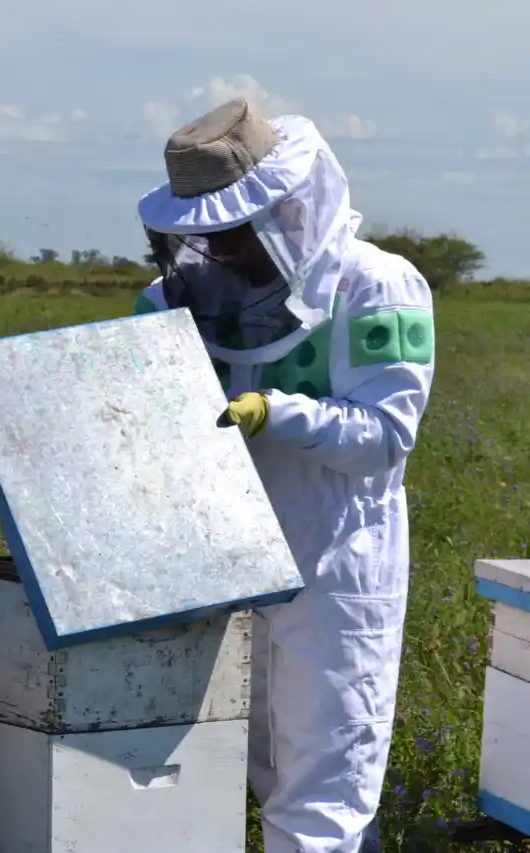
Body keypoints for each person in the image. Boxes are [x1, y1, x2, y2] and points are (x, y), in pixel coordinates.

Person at [133, 96, 434, 853]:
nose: (225, 249)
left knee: (325, 791)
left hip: (335, 567)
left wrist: (281, 413)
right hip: (219, 562)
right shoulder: (179, 299)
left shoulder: (378, 286)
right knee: (231, 769)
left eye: (236, 230)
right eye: (207, 235)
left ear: (288, 206)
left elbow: (386, 436)